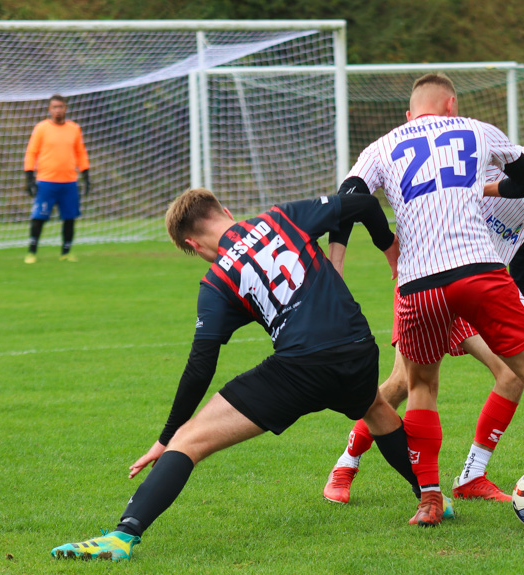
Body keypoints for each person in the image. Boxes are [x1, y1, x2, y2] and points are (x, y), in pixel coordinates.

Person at [51, 188, 447, 561]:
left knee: (189, 441)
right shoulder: (283, 218)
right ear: (224, 212)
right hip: (359, 349)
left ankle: (122, 536)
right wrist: (388, 247)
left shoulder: (217, 280)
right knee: (376, 409)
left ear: (192, 245)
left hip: (303, 368)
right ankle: (429, 494)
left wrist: (167, 436)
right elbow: (361, 203)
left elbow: (200, 365)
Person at [330, 73, 524, 526]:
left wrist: (521, 305)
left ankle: (464, 479)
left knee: (500, 376)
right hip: (466, 273)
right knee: (402, 386)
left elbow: (523, 251)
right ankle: (346, 463)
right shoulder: (480, 144)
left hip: (437, 286)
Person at [23, 94, 90, 263]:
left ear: (65, 108)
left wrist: (86, 176)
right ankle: (32, 252)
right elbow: (32, 152)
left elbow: (80, 153)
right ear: (49, 109)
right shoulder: (41, 128)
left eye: (60, 106)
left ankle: (65, 253)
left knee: (69, 218)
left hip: (69, 182)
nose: (58, 110)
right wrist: (29, 178)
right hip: (46, 181)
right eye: (54, 107)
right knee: (39, 217)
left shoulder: (74, 128)